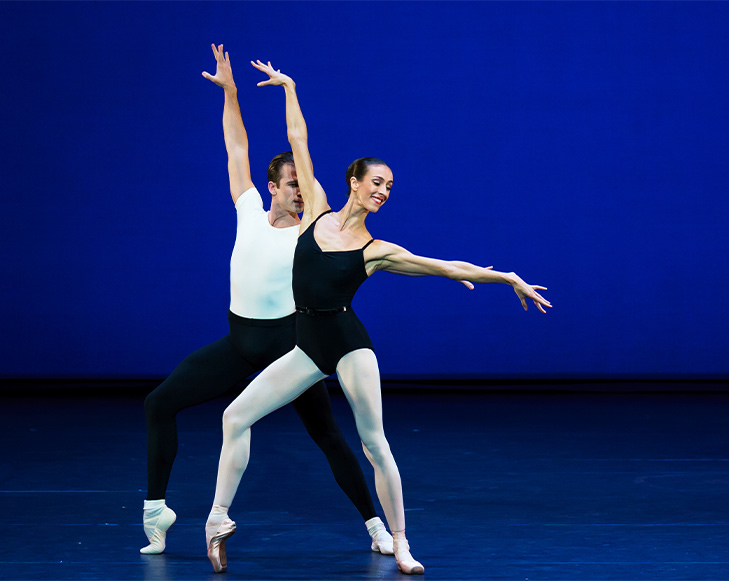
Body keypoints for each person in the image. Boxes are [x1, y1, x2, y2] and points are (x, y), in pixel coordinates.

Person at [204, 57, 552, 576]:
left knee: (374, 441)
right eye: (378, 181)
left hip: (348, 344)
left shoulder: (375, 248)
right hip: (308, 345)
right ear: (354, 181)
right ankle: (216, 520)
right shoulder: (315, 210)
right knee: (235, 415)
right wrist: (290, 89)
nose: (384, 191)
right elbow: (298, 139)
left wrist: (505, 278)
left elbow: (441, 265)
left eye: (390, 187)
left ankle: (401, 541)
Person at [139, 44, 395, 559]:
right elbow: (237, 146)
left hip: (289, 347)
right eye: (292, 185)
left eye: (305, 185)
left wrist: (290, 96)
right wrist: (231, 92)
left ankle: (376, 525)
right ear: (273, 187)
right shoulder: (249, 209)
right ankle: (156, 508)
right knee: (158, 403)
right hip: (239, 341)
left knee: (329, 437)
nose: (301, 192)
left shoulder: (312, 230)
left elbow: (300, 143)